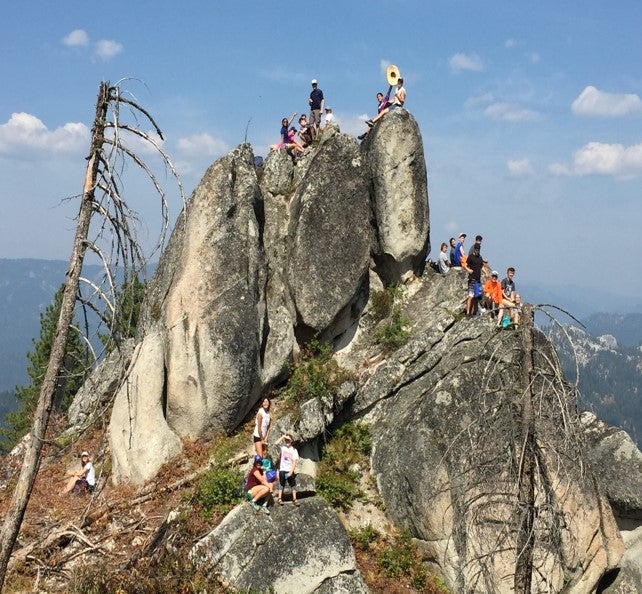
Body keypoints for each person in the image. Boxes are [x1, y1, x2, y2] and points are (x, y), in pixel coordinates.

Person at [275, 434, 300, 507]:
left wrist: (291, 472)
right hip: (282, 469)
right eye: (286, 440)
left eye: (288, 440)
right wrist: (283, 437)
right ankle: (279, 498)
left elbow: (294, 462)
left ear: (291, 441)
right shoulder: (283, 448)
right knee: (281, 483)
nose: (287, 441)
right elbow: (276, 443)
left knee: (293, 484)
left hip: (289, 469)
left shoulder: (294, 450)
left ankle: (294, 499)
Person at [465, 244, 484, 316]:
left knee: (476, 296)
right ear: (474, 250)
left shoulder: (480, 257)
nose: (477, 251)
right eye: (476, 250)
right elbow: (465, 265)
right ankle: (467, 313)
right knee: (470, 296)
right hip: (472, 279)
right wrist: (468, 270)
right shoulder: (470, 257)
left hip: (478, 280)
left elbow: (481, 266)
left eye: (478, 250)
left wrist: (486, 273)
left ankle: (473, 312)